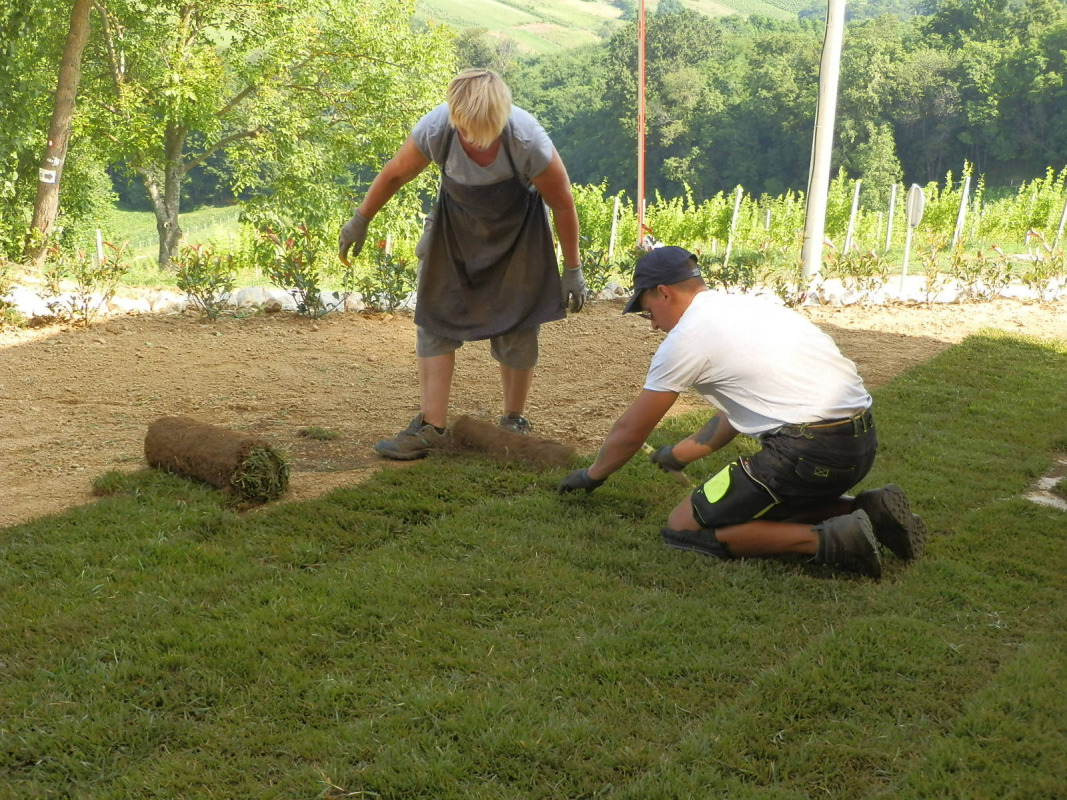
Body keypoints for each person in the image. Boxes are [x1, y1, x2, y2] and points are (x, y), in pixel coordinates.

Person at [556, 246, 927, 579]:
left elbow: (631, 431)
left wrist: (591, 476)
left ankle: (835, 540)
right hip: (858, 442)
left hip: (807, 453)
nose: (652, 323)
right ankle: (870, 509)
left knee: (683, 527)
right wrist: (679, 454)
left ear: (664, 292)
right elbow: (738, 413)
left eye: (648, 311)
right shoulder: (748, 308)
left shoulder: (687, 339)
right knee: (756, 509)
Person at [339, 68, 586, 460]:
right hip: (452, 231)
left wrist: (572, 269)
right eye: (466, 128)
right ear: (455, 115)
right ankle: (432, 427)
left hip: (518, 237)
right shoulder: (437, 128)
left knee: (519, 324)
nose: (472, 137)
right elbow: (396, 173)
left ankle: (513, 421)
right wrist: (360, 219)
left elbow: (563, 203)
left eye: (482, 129)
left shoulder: (526, 139)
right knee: (435, 319)